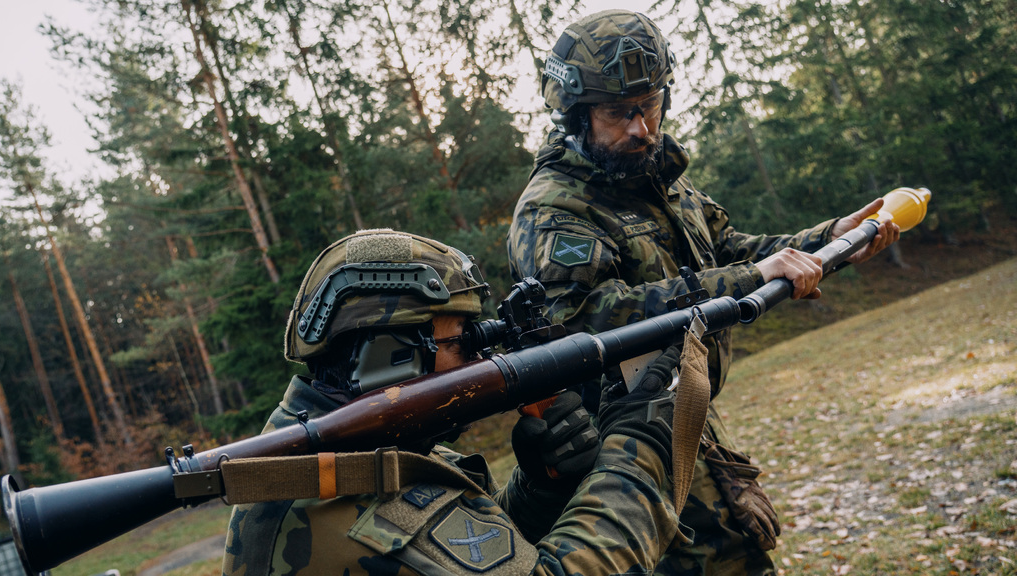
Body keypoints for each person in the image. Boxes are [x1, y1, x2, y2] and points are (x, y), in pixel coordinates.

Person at [507, 10, 901, 575]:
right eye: (620, 113)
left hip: (687, 417)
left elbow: (736, 250)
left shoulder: (658, 177)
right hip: (616, 455)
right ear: (575, 114)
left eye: (651, 104)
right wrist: (750, 278)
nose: (642, 128)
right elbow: (589, 319)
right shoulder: (554, 208)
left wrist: (828, 240)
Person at [221, 228, 686, 575]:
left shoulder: (367, 443)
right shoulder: (350, 498)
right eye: (461, 341)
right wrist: (635, 447)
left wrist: (540, 490)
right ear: (390, 359)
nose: (479, 360)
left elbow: (477, 548)